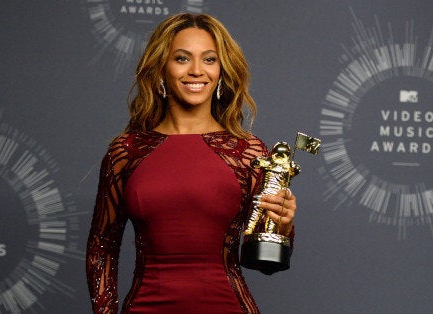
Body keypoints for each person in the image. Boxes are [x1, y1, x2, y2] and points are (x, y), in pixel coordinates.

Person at [86, 13, 298, 313]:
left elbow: (267, 265)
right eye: (182, 59)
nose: (197, 71)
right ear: (162, 67)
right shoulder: (127, 151)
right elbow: (102, 248)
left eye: (209, 60)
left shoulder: (248, 152)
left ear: (222, 70)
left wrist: (284, 227)